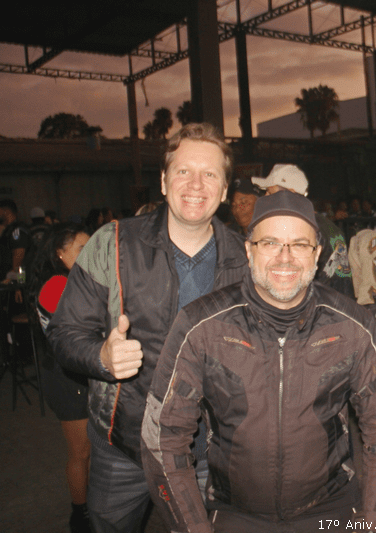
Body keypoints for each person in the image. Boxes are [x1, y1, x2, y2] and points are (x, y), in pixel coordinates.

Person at [141, 190, 376, 533]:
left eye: (299, 244)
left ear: (317, 254)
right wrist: (193, 527)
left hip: (331, 509)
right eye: (270, 243)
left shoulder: (352, 326)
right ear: (249, 250)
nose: (285, 257)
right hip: (236, 513)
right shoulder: (201, 326)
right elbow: (163, 437)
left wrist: (373, 524)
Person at [47, 123, 250, 533]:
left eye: (210, 174)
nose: (195, 184)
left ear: (225, 190)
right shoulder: (112, 243)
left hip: (209, 450)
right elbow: (63, 332)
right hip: (124, 447)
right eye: (183, 171)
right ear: (163, 181)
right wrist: (100, 357)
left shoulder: (246, 258)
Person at [29, 223, 92, 533]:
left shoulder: (73, 281)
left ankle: (89, 507)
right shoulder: (57, 285)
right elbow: (86, 328)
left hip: (77, 375)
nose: (89, 253)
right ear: (59, 253)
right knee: (80, 452)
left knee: (90, 449)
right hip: (68, 379)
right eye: (81, 248)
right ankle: (79, 515)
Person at [262, 163, 355, 298]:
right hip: (339, 304)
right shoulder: (328, 226)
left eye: (270, 193)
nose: (264, 198)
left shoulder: (300, 230)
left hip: (317, 306)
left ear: (291, 194)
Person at [0, 198, 30, 278]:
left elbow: (18, 260)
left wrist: (12, 280)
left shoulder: (17, 231)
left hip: (14, 280)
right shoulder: (8, 230)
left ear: (5, 211)